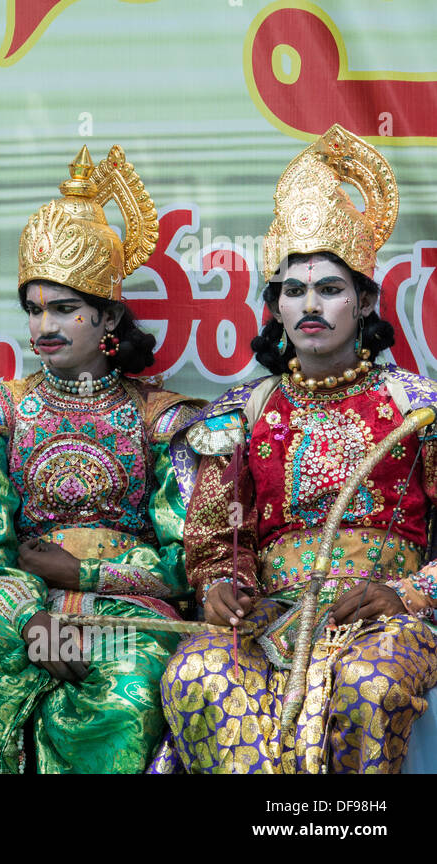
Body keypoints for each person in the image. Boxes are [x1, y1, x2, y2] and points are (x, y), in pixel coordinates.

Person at [0, 146, 202, 773]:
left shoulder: (161, 419)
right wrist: (37, 615)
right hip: (20, 607)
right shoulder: (0, 414)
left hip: (127, 612)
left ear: (108, 316)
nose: (45, 324)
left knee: (128, 694)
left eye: (65, 308)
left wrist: (90, 578)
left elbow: (183, 560)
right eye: (35, 308)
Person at [152, 124, 437, 773]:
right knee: (197, 671)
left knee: (370, 681)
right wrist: (224, 584)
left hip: (387, 619)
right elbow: (213, 536)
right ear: (275, 306)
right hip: (273, 622)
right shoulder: (242, 410)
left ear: (364, 300)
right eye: (294, 290)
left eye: (330, 289)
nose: (310, 305)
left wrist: (408, 596)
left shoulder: (419, 406)